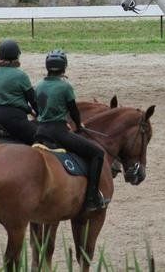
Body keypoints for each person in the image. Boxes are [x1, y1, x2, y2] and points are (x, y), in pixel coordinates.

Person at [34, 50, 108, 212]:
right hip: (58, 133)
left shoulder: (38, 86)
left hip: (39, 132)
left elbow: (38, 109)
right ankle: (92, 197)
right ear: (64, 67)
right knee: (97, 153)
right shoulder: (65, 87)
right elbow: (73, 111)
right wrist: (79, 125)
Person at [0, 39, 38, 144]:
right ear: (17, 55)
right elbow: (33, 101)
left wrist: (29, 110)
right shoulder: (21, 76)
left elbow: (5, 99)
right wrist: (42, 115)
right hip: (12, 119)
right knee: (42, 137)